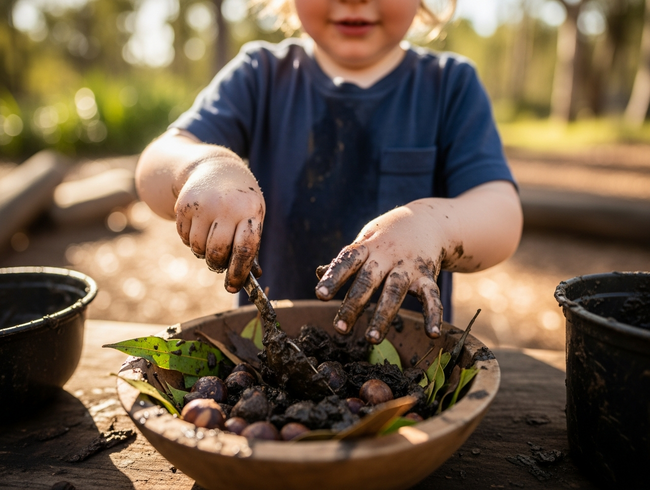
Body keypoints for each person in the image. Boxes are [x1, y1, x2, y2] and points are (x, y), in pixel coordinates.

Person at [135, 0, 523, 345]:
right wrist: (205, 167)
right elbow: (158, 160)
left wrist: (433, 227)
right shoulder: (260, 76)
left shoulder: (450, 86)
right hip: (269, 360)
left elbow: (502, 214)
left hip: (409, 371)